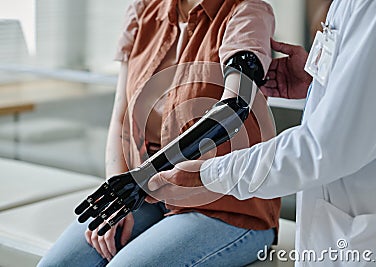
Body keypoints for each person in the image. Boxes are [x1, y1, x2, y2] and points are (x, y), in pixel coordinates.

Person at [147, 0, 376, 266]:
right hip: (335, 226)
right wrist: (318, 82)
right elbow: (368, 92)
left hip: (369, 240)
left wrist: (208, 175)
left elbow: (323, 147)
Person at [38, 0, 281, 266]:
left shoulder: (247, 13)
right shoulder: (144, 10)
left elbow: (235, 108)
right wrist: (118, 200)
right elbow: (121, 115)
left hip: (226, 203)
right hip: (148, 192)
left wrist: (142, 178)